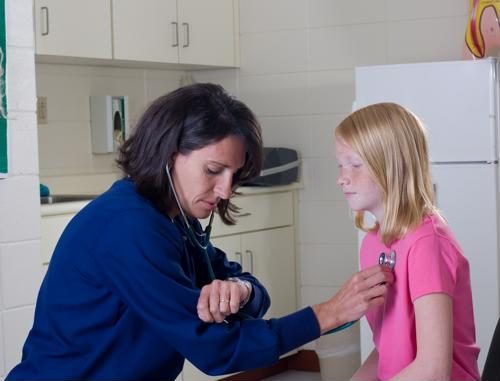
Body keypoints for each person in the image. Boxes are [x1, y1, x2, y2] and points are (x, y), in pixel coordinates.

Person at [7, 83, 393, 381]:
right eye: (213, 171)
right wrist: (327, 314)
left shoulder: (174, 219)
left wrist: (239, 290)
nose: (226, 190)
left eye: (234, 175)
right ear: (169, 153)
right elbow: (216, 351)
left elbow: (253, 290)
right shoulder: (127, 227)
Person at [334, 102, 480, 381]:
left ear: (392, 168)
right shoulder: (373, 245)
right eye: (340, 165)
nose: (342, 178)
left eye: (354, 164)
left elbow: (434, 370)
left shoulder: (427, 244)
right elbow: (386, 348)